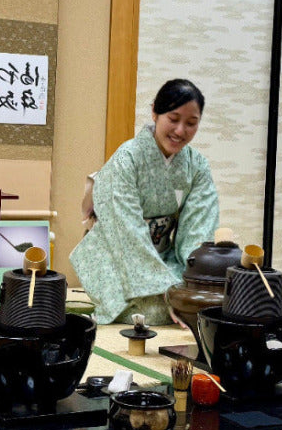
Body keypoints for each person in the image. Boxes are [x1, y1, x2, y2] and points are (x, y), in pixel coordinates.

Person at [71, 79, 219, 325]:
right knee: (154, 314)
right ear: (155, 112)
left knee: (203, 303)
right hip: (114, 254)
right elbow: (125, 230)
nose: (181, 131)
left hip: (162, 258)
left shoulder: (197, 166)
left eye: (191, 123)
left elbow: (198, 229)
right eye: (173, 119)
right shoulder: (126, 159)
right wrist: (169, 292)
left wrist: (192, 284)